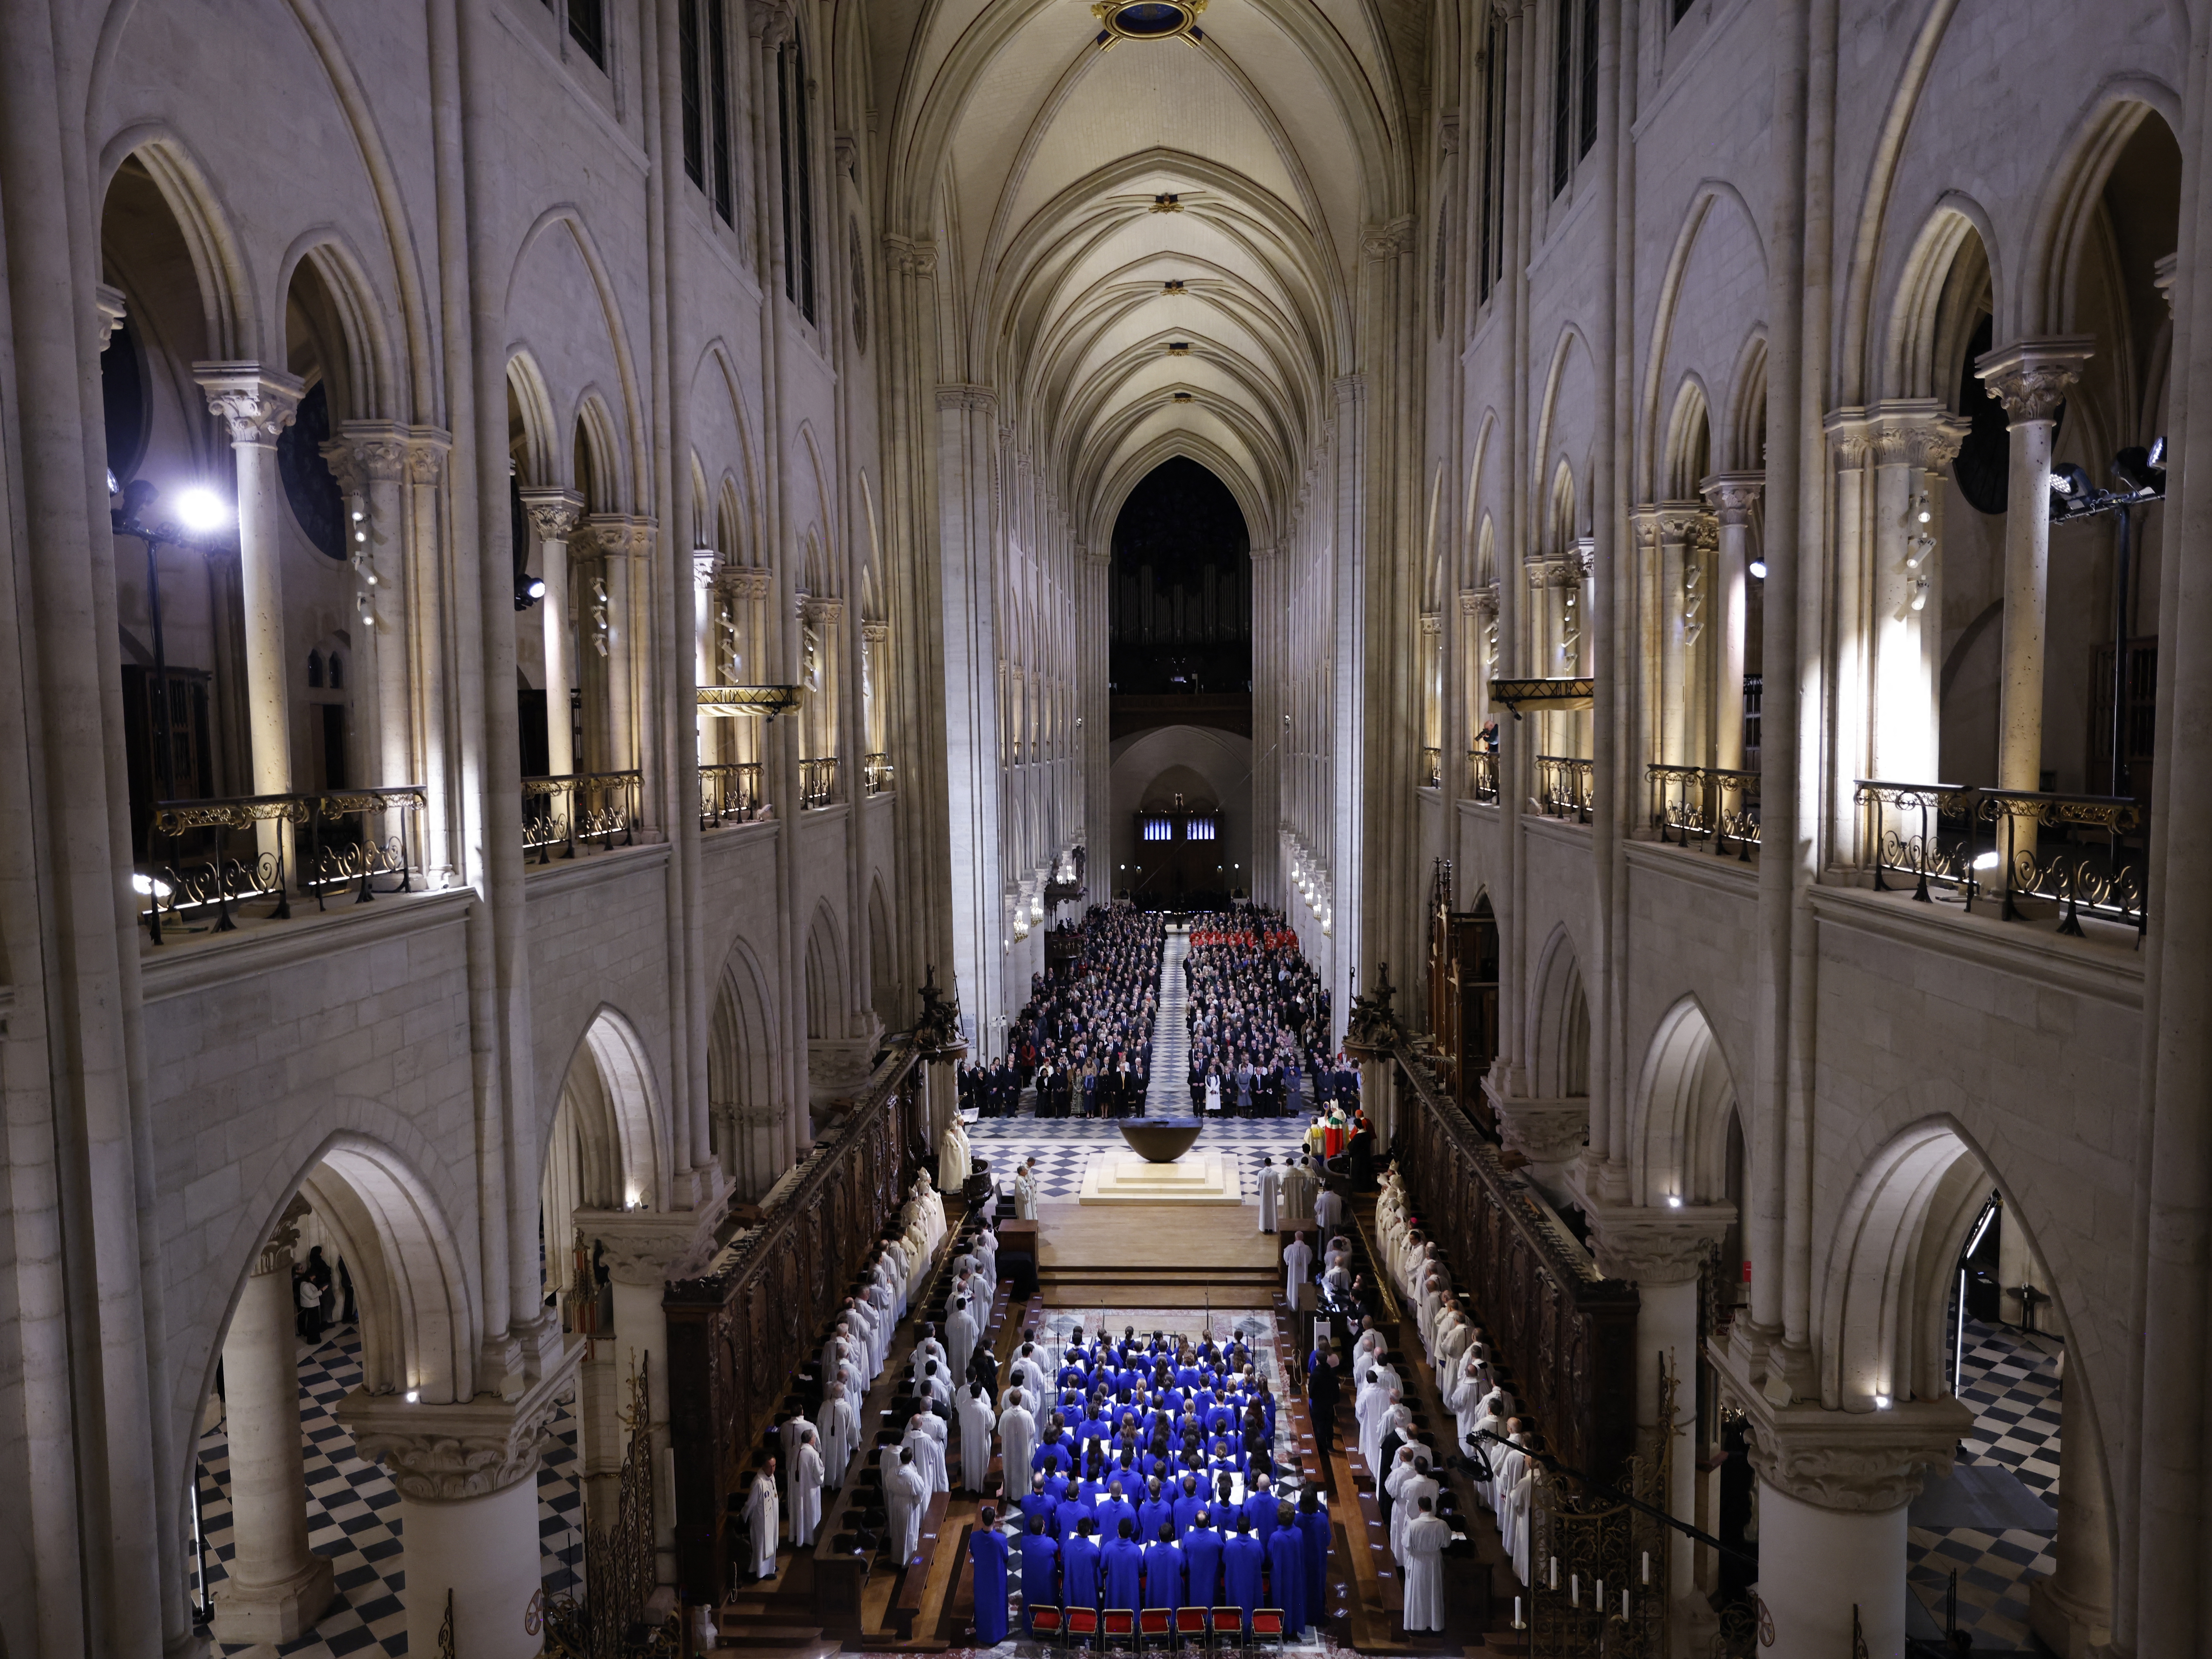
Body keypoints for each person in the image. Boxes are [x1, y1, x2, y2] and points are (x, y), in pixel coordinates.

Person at [1400, 1496, 1449, 1633]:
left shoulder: (1413, 1525)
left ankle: (1417, 1624)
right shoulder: (1442, 1524)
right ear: (1431, 1507)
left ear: (1419, 1508)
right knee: (1434, 1592)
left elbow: (1406, 1544)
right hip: (1435, 1561)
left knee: (1418, 1593)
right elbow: (1447, 1543)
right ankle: (1435, 1624)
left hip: (1418, 1562)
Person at [971, 1505, 1011, 1645]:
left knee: (983, 1605)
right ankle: (998, 1633)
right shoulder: (1001, 1540)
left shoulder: (974, 1537)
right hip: (997, 1577)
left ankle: (983, 1633)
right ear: (995, 1520)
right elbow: (1006, 1557)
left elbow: (973, 1552)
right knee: (997, 1605)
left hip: (982, 1578)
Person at [1268, 1503, 1308, 1635]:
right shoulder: (1299, 1533)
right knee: (1295, 1599)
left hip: (1280, 1575)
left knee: (1281, 1599)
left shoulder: (1276, 1537)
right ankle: (1293, 1628)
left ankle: (1282, 1628)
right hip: (1295, 1572)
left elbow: (1270, 1554)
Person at [1223, 1514, 1265, 1628]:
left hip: (1235, 1581)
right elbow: (1262, 1560)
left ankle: (1235, 1629)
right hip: (1251, 1580)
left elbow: (1224, 1560)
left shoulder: (1230, 1544)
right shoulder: (1257, 1545)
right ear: (1250, 1528)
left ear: (1237, 1528)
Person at [1019, 1515, 1060, 1631]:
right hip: (1046, 1586)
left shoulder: (1024, 1542)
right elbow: (1056, 1549)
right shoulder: (1050, 1544)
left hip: (1030, 1583)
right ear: (1043, 1528)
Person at [889, 1447, 928, 1563]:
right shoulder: (913, 1475)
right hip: (908, 1504)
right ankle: (907, 1561)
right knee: (909, 1531)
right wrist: (917, 1501)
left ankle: (897, 1557)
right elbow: (921, 1491)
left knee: (898, 1531)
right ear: (911, 1459)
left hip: (897, 1502)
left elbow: (889, 1487)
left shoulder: (892, 1472)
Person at [956, 1381, 997, 1492]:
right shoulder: (984, 1409)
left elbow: (961, 1423)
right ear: (980, 1394)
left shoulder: (964, 1406)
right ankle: (980, 1486)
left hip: (968, 1439)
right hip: (981, 1439)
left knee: (969, 1460)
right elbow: (992, 1425)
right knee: (980, 1462)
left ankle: (969, 1485)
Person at [789, 1426, 826, 1547]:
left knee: (799, 1512)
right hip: (810, 1490)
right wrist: (822, 1473)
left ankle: (799, 1537)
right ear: (811, 1440)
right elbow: (818, 1473)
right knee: (810, 1514)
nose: (815, 1439)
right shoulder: (812, 1453)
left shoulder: (795, 1450)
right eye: (815, 1437)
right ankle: (810, 1540)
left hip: (797, 1488)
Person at [1000, 1387, 1038, 1499]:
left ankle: (1011, 1494)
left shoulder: (1005, 1416)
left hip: (1010, 1450)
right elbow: (1033, 1433)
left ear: (1010, 1401)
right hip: (1023, 1449)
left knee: (1011, 1470)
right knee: (1023, 1470)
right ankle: (1024, 1494)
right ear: (1021, 1400)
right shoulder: (1027, 1415)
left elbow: (1000, 1432)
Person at [746, 1457, 780, 1580]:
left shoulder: (771, 1477)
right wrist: (744, 1517)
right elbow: (751, 1503)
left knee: (771, 1542)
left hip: (772, 1517)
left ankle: (770, 1566)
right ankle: (762, 1572)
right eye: (770, 1467)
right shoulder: (759, 1483)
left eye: (775, 1466)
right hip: (762, 1520)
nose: (773, 1469)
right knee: (763, 1546)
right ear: (763, 1467)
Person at [1181, 1507, 1223, 1606]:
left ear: (1195, 1522)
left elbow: (1184, 1554)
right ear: (1208, 1522)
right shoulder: (1216, 1537)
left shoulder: (1187, 1537)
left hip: (1194, 1578)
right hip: (1211, 1578)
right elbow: (1222, 1551)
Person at [1102, 1518, 1144, 1612]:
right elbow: (1141, 1570)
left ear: (1118, 1531)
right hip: (1131, 1593)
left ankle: (1113, 1627)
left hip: (1114, 1591)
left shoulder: (1108, 1548)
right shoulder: (1137, 1550)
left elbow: (1103, 1567)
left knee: (1113, 1620)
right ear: (1130, 1532)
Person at [1062, 1514, 1102, 1609]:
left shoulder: (1067, 1545)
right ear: (1089, 1532)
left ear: (1077, 1529)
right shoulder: (1094, 1549)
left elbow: (1063, 1562)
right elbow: (1097, 1564)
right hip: (1088, 1588)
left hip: (1071, 1585)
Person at [1144, 1524, 1184, 1610]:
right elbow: (1183, 1568)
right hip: (1172, 1596)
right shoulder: (1179, 1554)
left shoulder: (1148, 1553)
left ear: (1158, 1534)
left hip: (1155, 1595)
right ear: (1172, 1536)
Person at [1309, 1350, 1341, 1452]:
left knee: (1320, 1426)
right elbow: (1336, 1388)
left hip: (1318, 1405)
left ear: (1317, 1361)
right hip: (1329, 1404)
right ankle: (1330, 1445)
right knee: (1329, 1425)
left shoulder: (1315, 1374)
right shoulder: (1331, 1372)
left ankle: (1322, 1449)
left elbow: (1312, 1391)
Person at [1282, 1230, 1313, 1308]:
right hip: (1304, 1272)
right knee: (1303, 1286)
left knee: (1293, 1287)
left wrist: (1289, 1263)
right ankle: (1303, 1306)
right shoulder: (1307, 1249)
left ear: (1295, 1238)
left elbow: (1286, 1258)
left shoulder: (1290, 1248)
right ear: (1303, 1238)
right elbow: (1309, 1259)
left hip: (1293, 1272)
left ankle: (1293, 1305)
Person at [1257, 1157, 1280, 1232]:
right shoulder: (1275, 1173)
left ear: (1265, 1164)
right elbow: (1278, 1185)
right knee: (1272, 1210)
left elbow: (1259, 1185)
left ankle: (1264, 1228)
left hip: (1264, 1196)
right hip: (1273, 1196)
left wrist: (1263, 1190)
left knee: (1264, 1210)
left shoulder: (1261, 1173)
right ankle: (1272, 1228)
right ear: (1271, 1164)